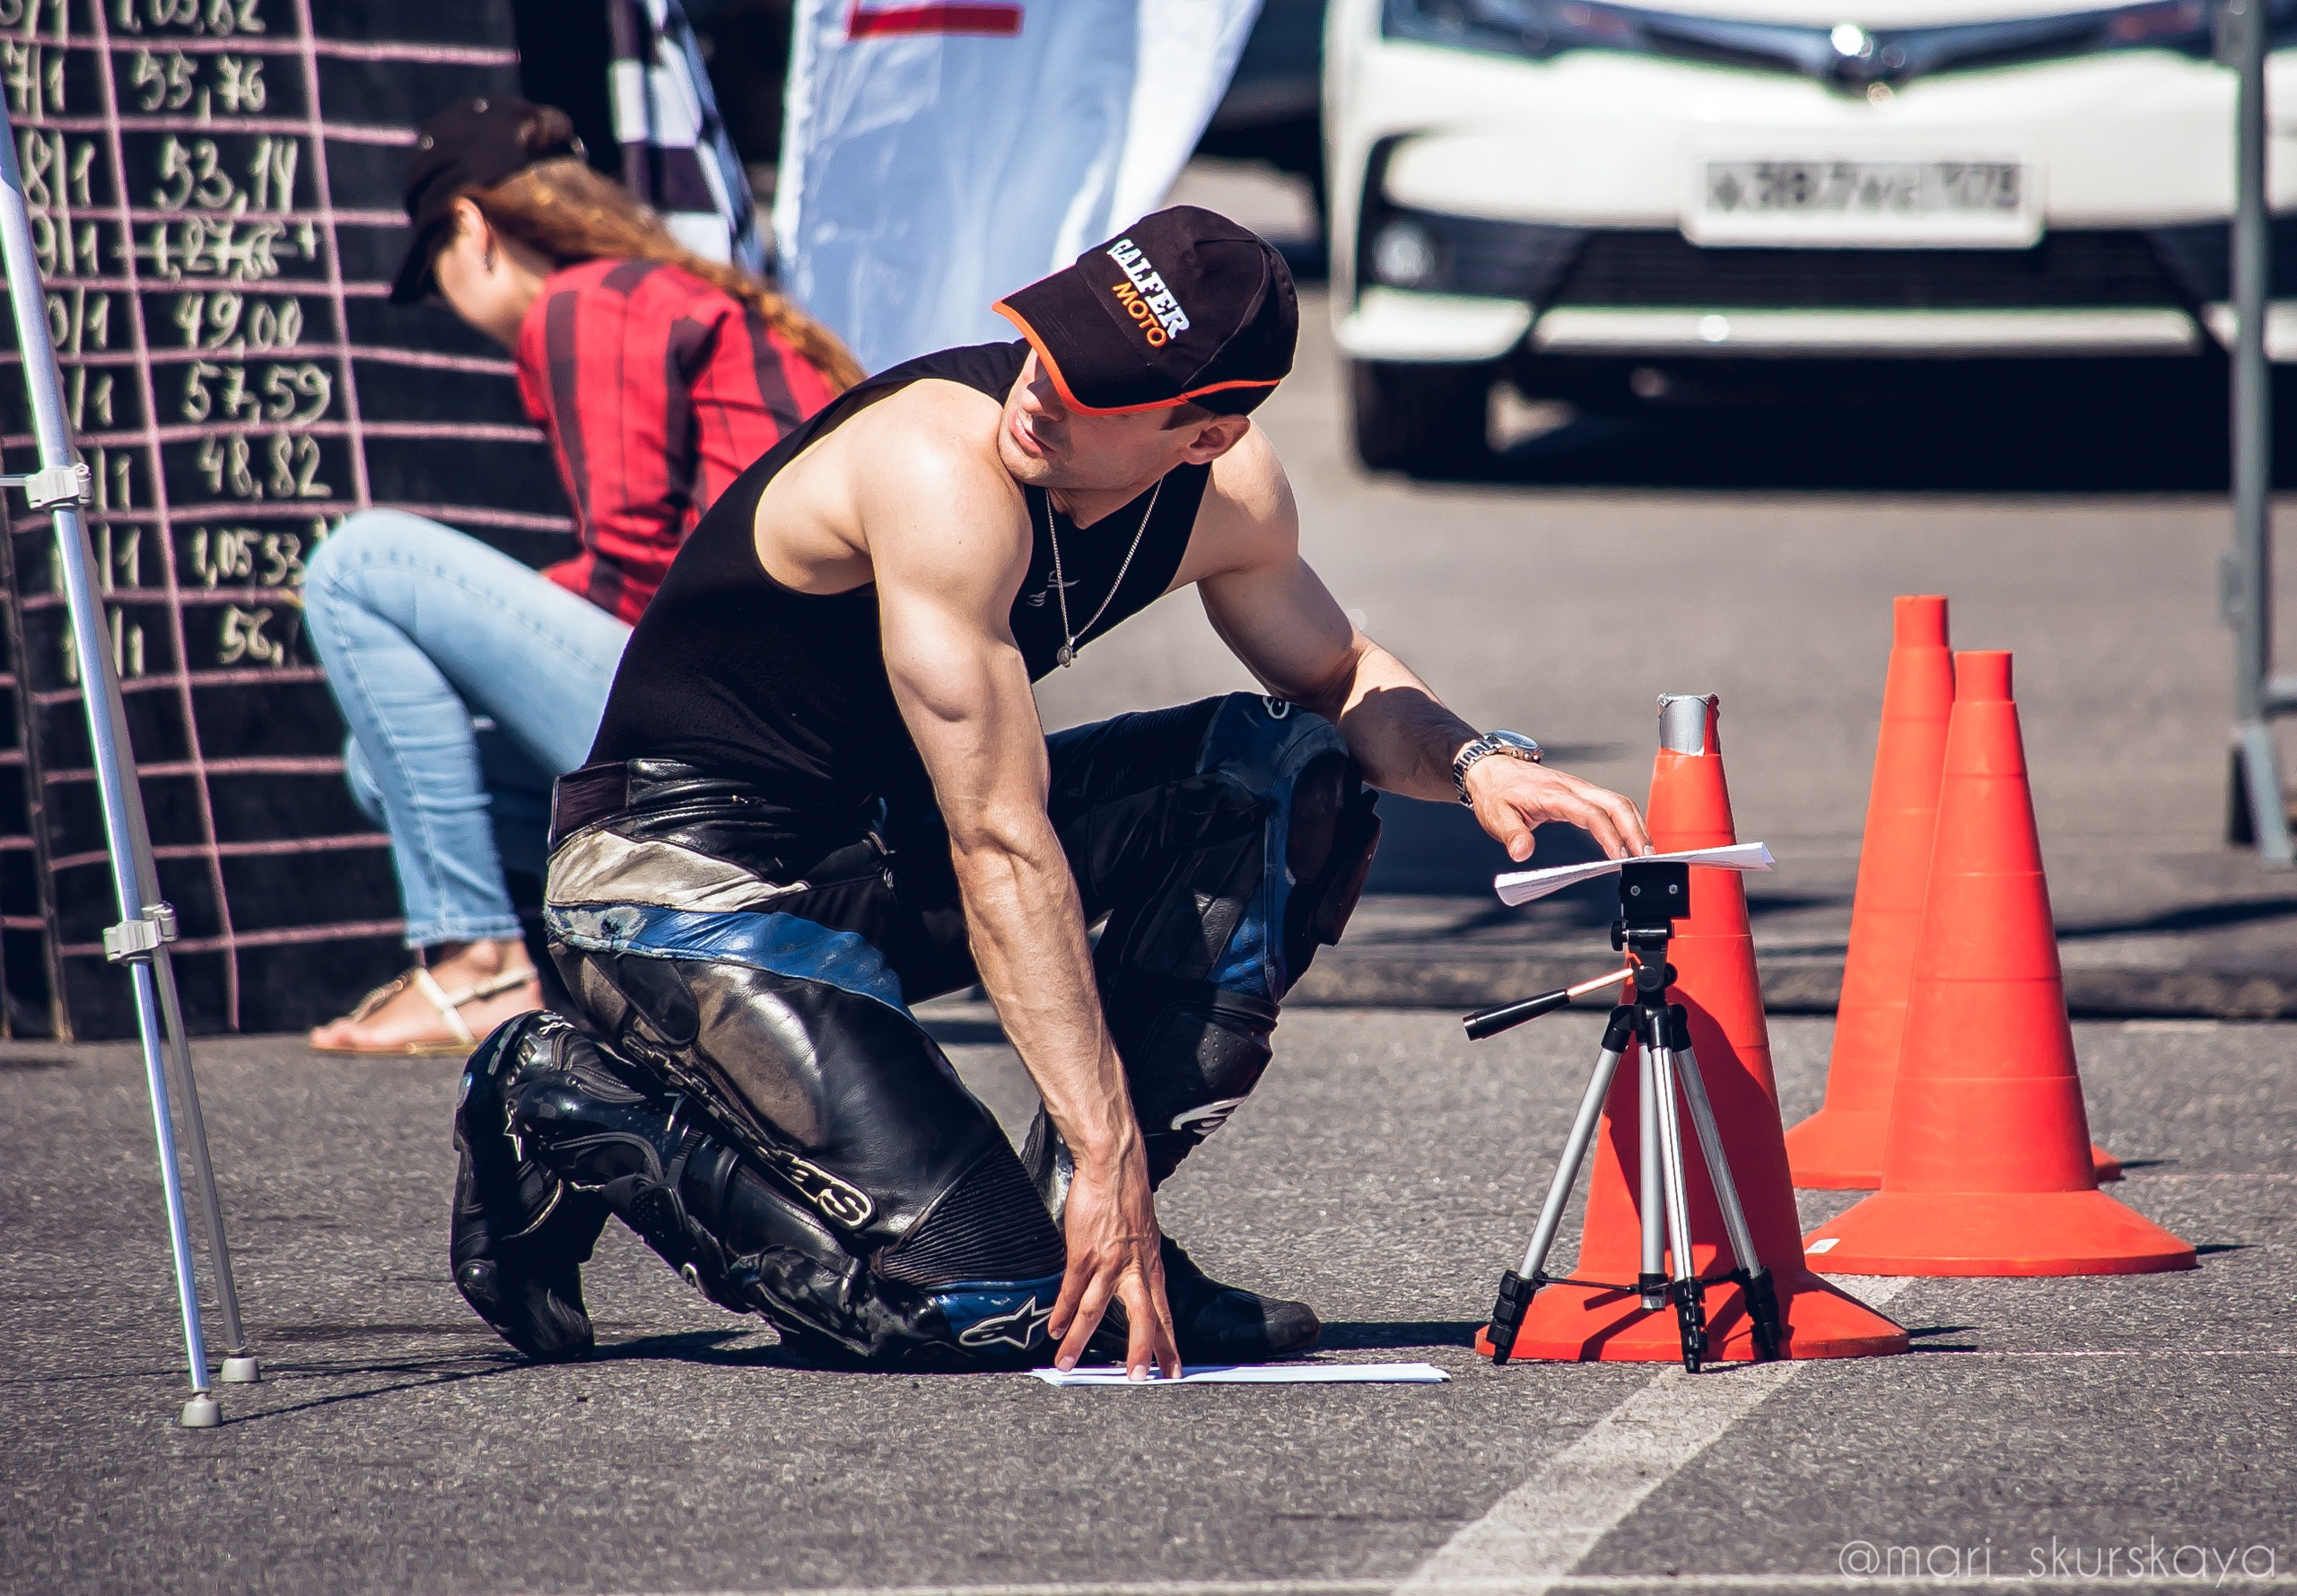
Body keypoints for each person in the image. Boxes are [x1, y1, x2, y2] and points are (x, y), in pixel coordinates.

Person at [449, 207, 1652, 1376]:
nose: (1040, 384)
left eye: (1094, 384)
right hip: (673, 875)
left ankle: (1089, 1225)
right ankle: (557, 1094)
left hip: (866, 853)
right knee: (971, 1309)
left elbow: (1340, 675)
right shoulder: (940, 465)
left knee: (1287, 770)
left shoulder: (1228, 497)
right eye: (1049, 337)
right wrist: (1107, 1130)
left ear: (1207, 432)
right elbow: (998, 838)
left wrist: (1476, 757)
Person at [302, 97, 861, 1057]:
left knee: (365, 562)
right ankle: (694, 945)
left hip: (756, 743)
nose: (447, 306)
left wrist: (458, 620)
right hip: (827, 763)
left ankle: (480, 966)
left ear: (472, 229)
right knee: (384, 766)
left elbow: (639, 575)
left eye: (434, 275)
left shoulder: (587, 302)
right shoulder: (674, 292)